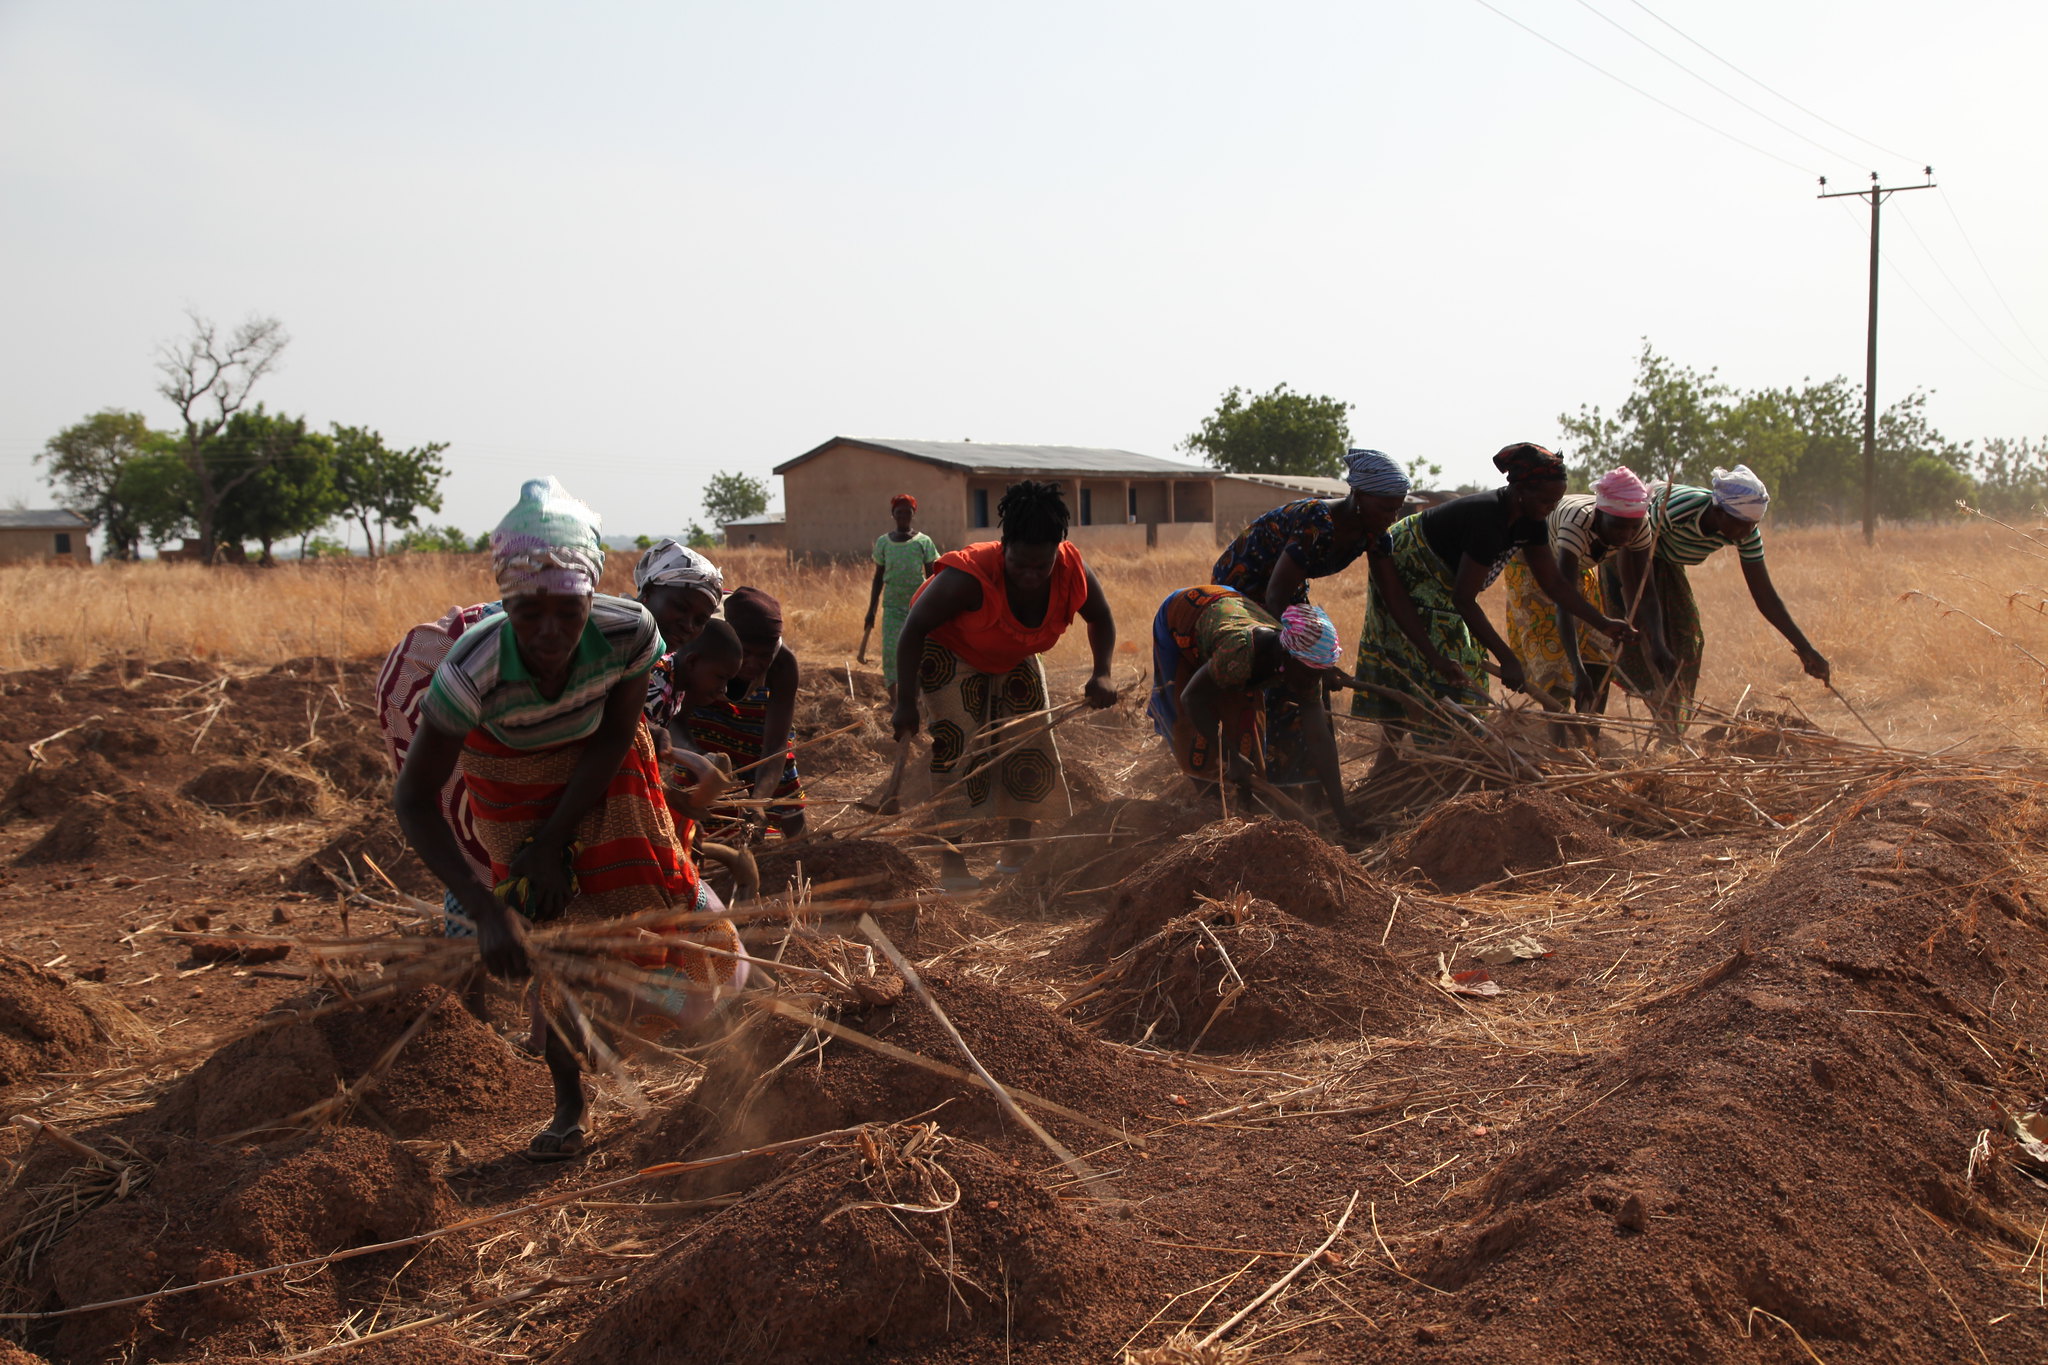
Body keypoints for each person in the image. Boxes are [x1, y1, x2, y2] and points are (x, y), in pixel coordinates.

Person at [393, 478, 745, 1161]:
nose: (550, 632)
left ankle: (719, 1066)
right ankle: (569, 1104)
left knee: (667, 908)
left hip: (603, 773)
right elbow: (414, 798)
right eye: (529, 611)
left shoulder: (628, 632)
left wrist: (559, 840)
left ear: (593, 594)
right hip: (508, 788)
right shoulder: (473, 668)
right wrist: (486, 906)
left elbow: (617, 736)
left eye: (568, 609)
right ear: (505, 600)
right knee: (553, 946)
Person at [891, 480, 1118, 887]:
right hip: (950, 650)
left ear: (1056, 552)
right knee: (956, 745)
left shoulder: (1071, 571)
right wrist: (905, 702)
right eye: (1019, 564)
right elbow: (914, 629)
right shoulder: (969, 576)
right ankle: (953, 861)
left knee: (1030, 740)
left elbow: (1100, 617)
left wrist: (1101, 672)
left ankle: (1017, 850)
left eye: (1040, 565)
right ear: (1004, 547)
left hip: (1012, 651)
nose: (1030, 575)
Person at [1349, 442, 1632, 739]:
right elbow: (1463, 599)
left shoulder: (1531, 521)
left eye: (1556, 501)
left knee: (1458, 668)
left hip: (1444, 585)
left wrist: (1604, 623)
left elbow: (1556, 584)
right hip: (1411, 563)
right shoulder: (1488, 521)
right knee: (1437, 664)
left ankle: (1426, 755)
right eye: (1547, 500)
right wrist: (1507, 658)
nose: (1552, 508)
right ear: (1521, 490)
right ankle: (1422, 755)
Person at [1613, 464, 1829, 724]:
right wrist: (1644, 624)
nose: (1745, 533)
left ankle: (1671, 726)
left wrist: (1805, 649)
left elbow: (1765, 596)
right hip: (1626, 557)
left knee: (1686, 642)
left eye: (1752, 525)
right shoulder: (1675, 511)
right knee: (1638, 638)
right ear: (1718, 511)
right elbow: (1632, 558)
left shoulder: (1745, 529)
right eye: (1740, 525)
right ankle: (1638, 709)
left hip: (1667, 565)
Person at [1148, 585, 1359, 832]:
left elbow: (1319, 740)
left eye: (1318, 675)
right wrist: (1229, 755)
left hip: (1231, 610)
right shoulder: (1239, 654)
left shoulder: (1304, 669)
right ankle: (1209, 809)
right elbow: (1190, 698)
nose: (1312, 683)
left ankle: (1245, 810)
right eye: (1309, 675)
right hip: (1184, 615)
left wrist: (1343, 814)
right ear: (1287, 656)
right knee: (1190, 729)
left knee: (1246, 726)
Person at [1502, 466, 1656, 728]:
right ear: (1599, 514)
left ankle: (1589, 736)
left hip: (1575, 566)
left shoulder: (1638, 524)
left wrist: (1658, 644)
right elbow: (1564, 599)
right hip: (1531, 565)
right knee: (1551, 653)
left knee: (1598, 650)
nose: (1625, 535)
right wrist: (1576, 669)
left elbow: (1647, 589)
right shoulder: (1577, 523)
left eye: (1632, 528)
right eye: (1618, 527)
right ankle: (1559, 743)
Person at [1211, 448, 1413, 616]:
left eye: (1397, 509)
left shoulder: (1375, 536)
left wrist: (1434, 657)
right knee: (1250, 653)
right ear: (1358, 495)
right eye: (1386, 509)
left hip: (1286, 592)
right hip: (1240, 587)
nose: (1392, 518)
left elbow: (1393, 596)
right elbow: (1275, 597)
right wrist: (1289, 647)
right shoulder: (1316, 521)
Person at [675, 586, 806, 838]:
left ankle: (801, 851)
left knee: (783, 783)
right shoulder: (702, 648)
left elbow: (776, 746)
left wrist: (758, 802)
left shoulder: (783, 665)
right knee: (697, 798)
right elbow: (676, 721)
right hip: (704, 723)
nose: (754, 663)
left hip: (756, 729)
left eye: (763, 656)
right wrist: (701, 762)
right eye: (746, 653)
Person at [864, 494, 940, 702]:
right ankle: (895, 700)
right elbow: (878, 578)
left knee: (921, 652)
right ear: (893, 515)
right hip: (892, 607)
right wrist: (871, 610)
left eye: (908, 512)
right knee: (891, 652)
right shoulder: (883, 543)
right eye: (899, 512)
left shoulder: (923, 542)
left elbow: (934, 577)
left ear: (913, 514)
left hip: (918, 607)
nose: (903, 516)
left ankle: (916, 698)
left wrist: (935, 608)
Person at [633, 538, 724, 654]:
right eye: (680, 608)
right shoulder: (609, 646)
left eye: (700, 621)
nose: (688, 626)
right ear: (648, 591)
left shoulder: (670, 665)